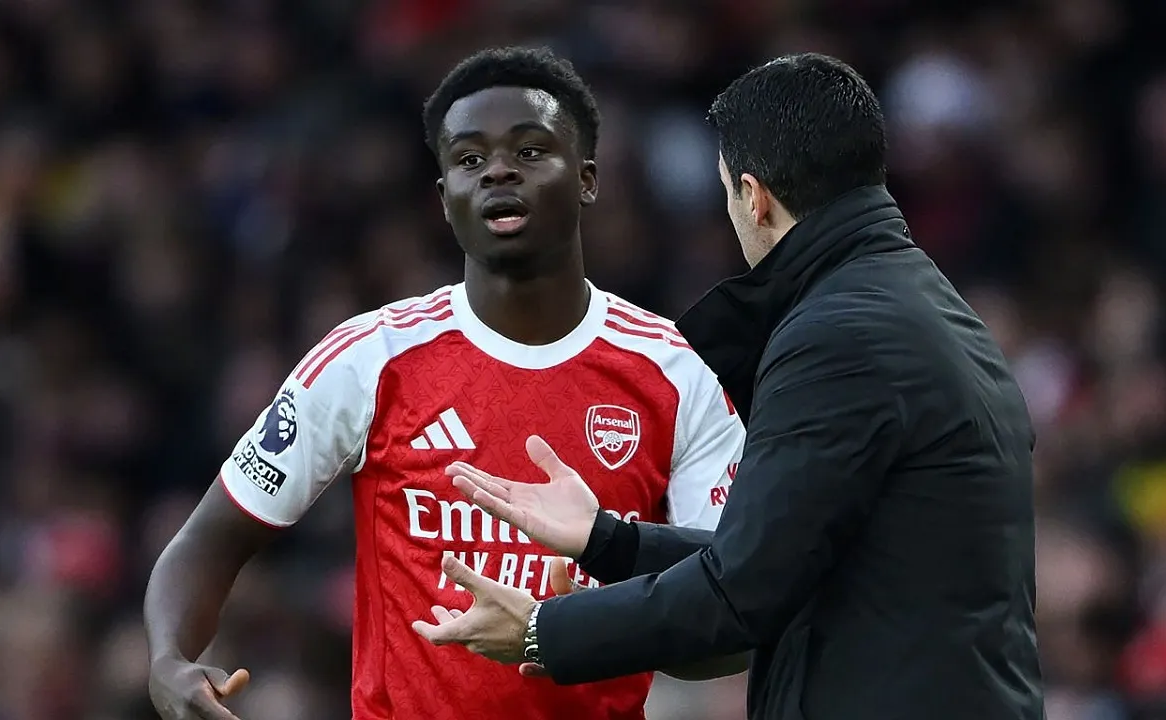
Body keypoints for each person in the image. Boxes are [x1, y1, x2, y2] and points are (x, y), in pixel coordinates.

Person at [414, 53, 1046, 720]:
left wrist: (544, 631)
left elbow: (740, 592)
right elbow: (789, 553)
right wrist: (608, 541)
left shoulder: (839, 338)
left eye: (726, 195)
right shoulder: (924, 310)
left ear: (754, 196)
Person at [143, 46, 746, 720]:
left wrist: (596, 627)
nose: (496, 172)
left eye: (529, 150)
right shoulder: (371, 358)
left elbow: (733, 615)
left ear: (586, 179)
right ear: (444, 197)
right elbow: (209, 538)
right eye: (467, 159)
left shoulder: (672, 374)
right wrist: (168, 658)